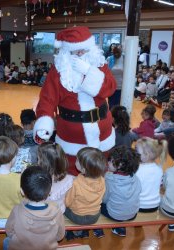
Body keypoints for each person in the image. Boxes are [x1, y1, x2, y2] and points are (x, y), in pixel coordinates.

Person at [34, 26, 116, 176]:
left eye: (83, 49)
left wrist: (89, 72)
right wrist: (44, 120)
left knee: (101, 171)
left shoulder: (100, 65)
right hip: (70, 137)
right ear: (66, 52)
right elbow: (47, 99)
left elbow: (110, 88)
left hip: (102, 132)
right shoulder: (58, 70)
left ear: (91, 48)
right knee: (71, 173)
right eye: (74, 51)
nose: (79, 54)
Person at [4, 166, 65, 250]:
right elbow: (60, 236)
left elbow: (9, 232)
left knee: (6, 241)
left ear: (22, 191)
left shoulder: (16, 210)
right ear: (50, 191)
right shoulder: (56, 210)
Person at [65, 147, 106, 239]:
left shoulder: (76, 183)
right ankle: (84, 232)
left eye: (77, 160)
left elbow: (68, 202)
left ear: (83, 170)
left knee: (61, 208)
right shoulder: (102, 180)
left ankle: (71, 231)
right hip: (94, 216)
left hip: (78, 217)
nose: (75, 161)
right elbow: (101, 197)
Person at [102, 146, 141, 237]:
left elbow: (105, 199)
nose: (108, 162)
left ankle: (99, 229)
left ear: (120, 165)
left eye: (111, 161)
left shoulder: (109, 178)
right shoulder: (135, 178)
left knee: (97, 203)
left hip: (114, 215)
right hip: (133, 214)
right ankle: (120, 228)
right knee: (121, 204)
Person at [37, 142, 74, 213]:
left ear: (45, 163)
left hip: (43, 212)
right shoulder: (70, 179)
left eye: (38, 159)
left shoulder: (39, 179)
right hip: (59, 211)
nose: (37, 161)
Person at [135, 138, 167, 212]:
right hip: (155, 206)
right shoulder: (159, 168)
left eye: (137, 152)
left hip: (138, 206)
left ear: (147, 155)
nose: (135, 153)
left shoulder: (137, 169)